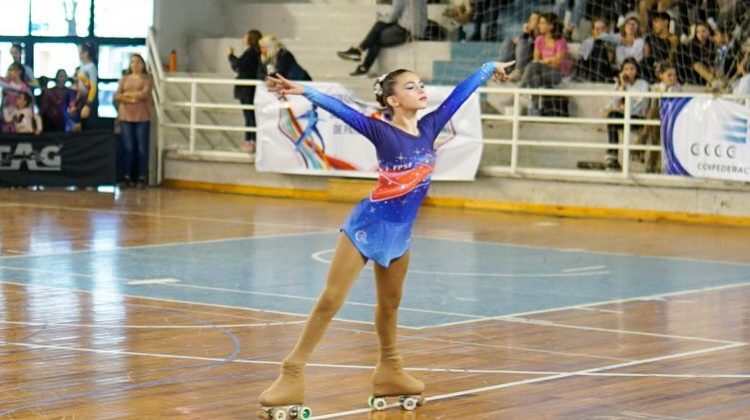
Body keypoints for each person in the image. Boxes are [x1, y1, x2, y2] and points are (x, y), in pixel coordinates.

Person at [257, 60, 515, 419]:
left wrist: (489, 68)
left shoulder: (429, 127)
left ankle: (390, 368)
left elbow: (458, 95)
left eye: (420, 84)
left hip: (401, 235)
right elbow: (343, 111)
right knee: (331, 299)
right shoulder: (382, 132)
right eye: (410, 87)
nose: (420, 89)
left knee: (391, 305)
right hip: (367, 225)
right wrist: (303, 90)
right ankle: (292, 369)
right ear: (393, 101)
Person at [336, 0, 427, 77]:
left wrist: (382, 18)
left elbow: (394, 14)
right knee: (378, 30)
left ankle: (360, 53)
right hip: (417, 28)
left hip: (406, 30)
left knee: (377, 34)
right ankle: (362, 63)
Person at [634, 61, 681, 173]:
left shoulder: (678, 88)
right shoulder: (656, 87)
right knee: (654, 125)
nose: (673, 78)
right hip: (658, 118)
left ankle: (641, 140)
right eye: (669, 75)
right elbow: (651, 103)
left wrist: (666, 89)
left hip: (672, 117)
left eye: (674, 75)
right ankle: (652, 164)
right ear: (660, 76)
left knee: (653, 115)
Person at [604, 57, 649, 171]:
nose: (629, 72)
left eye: (632, 69)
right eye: (626, 69)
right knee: (612, 117)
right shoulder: (619, 84)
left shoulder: (643, 84)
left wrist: (621, 109)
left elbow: (640, 104)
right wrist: (623, 86)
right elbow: (614, 102)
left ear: (637, 70)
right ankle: (613, 158)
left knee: (615, 114)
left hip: (637, 118)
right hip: (623, 116)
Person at [114, 54, 152, 188]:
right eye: (132, 62)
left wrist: (127, 95)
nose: (135, 65)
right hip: (126, 117)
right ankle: (126, 176)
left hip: (142, 117)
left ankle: (141, 176)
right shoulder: (124, 79)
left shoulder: (146, 79)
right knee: (128, 147)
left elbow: (144, 95)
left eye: (137, 62)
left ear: (143, 64)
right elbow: (117, 96)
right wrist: (130, 99)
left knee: (142, 148)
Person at [520, 13, 570, 114]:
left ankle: (520, 90)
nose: (539, 26)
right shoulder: (539, 39)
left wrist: (545, 61)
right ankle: (535, 108)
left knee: (533, 67)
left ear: (551, 26)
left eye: (542, 23)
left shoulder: (561, 41)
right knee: (535, 77)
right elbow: (536, 59)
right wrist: (548, 60)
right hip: (541, 71)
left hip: (556, 74)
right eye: (539, 23)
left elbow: (557, 63)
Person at [228, 29, 263, 153]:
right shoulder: (255, 53)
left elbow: (239, 66)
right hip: (248, 88)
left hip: (246, 88)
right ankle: (250, 140)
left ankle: (251, 141)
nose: (243, 39)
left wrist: (231, 56)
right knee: (249, 115)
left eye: (246, 37)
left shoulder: (251, 53)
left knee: (249, 116)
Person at [499, 10, 540, 82]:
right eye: (531, 20)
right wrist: (525, 33)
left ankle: (519, 71)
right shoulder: (527, 34)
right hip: (518, 60)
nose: (533, 22)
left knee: (522, 42)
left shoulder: (542, 36)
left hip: (528, 63)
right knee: (508, 41)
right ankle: (503, 68)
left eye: (536, 20)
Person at [576, 17, 617, 82]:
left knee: (599, 44)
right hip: (591, 68)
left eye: (602, 29)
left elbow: (610, 60)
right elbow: (583, 60)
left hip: (606, 69)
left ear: (606, 29)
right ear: (593, 30)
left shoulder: (610, 41)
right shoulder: (587, 42)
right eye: (597, 29)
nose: (600, 31)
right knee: (597, 44)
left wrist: (607, 44)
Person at [641, 11, 678, 83]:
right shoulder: (649, 38)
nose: (653, 25)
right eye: (653, 22)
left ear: (666, 22)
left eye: (656, 22)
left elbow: (672, 58)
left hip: (666, 66)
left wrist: (661, 63)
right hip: (652, 67)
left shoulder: (673, 38)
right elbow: (647, 56)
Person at [1, 63, 31, 133]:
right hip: (6, 116)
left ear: (19, 72)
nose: (9, 72)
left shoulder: (24, 87)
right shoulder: (6, 83)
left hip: (19, 118)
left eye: (11, 70)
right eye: (9, 70)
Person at [77, 42, 98, 129]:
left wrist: (88, 104)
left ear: (87, 53)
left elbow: (93, 87)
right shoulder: (83, 66)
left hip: (88, 100)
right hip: (81, 99)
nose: (80, 55)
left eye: (82, 52)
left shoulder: (91, 66)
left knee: (87, 126)